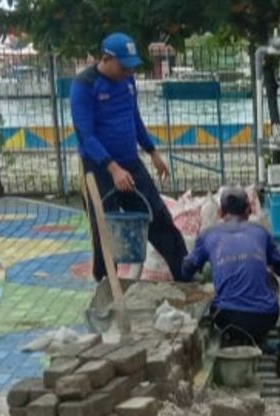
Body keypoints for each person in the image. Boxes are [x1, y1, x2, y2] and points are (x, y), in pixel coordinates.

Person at [70, 32, 188, 282]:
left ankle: (186, 274)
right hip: (98, 168)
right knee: (105, 228)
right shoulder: (84, 85)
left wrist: (152, 151)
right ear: (106, 59)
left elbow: (134, 118)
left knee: (157, 216)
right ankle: (106, 285)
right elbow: (85, 134)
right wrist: (113, 170)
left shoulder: (128, 81)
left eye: (130, 67)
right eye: (123, 66)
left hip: (130, 163)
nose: (128, 72)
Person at [179, 187, 280, 349]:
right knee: (269, 280)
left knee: (210, 283)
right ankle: (259, 339)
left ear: (219, 212)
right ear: (248, 211)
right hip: (265, 318)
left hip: (226, 318)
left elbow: (186, 270)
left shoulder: (208, 234)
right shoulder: (260, 232)